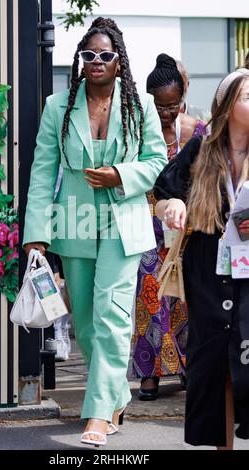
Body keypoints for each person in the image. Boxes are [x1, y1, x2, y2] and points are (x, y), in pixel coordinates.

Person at [22, 17, 167, 447]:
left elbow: (157, 161)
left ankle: (99, 413)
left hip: (124, 226)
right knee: (85, 322)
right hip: (75, 224)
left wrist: (120, 175)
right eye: (90, 55)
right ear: (81, 61)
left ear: (119, 62)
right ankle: (115, 393)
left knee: (112, 317)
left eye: (107, 55)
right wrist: (37, 231)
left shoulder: (140, 107)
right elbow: (44, 170)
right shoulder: (57, 106)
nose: (98, 61)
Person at [154, 68, 249, 449]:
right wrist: (174, 205)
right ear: (227, 106)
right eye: (247, 96)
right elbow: (163, 191)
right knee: (214, 366)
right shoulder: (202, 148)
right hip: (209, 269)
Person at [133, 54, 207, 400]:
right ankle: (149, 375)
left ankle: (189, 366)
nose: (167, 112)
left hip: (186, 228)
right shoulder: (136, 133)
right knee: (150, 298)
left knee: (186, 299)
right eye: (160, 106)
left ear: (182, 99)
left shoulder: (198, 130)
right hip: (147, 226)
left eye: (173, 104)